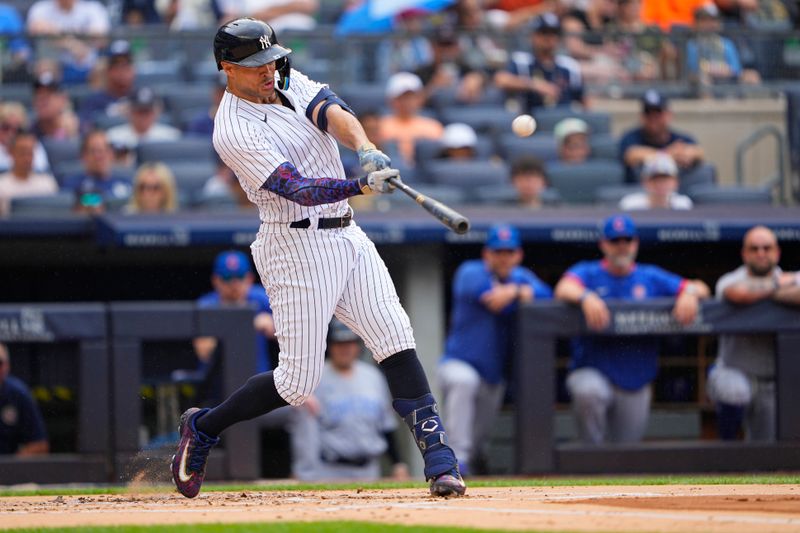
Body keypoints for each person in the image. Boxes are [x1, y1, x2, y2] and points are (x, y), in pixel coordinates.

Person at [171, 18, 465, 499]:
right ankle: (204, 426)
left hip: (347, 234)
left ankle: (440, 461)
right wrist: (359, 184)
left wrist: (365, 148)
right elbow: (296, 188)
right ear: (226, 67)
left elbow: (332, 110)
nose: (269, 71)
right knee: (296, 382)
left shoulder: (285, 77)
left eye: (271, 59)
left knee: (395, 336)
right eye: (254, 65)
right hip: (294, 246)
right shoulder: (231, 129)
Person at [554, 214, 710, 444]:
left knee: (625, 451)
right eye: (615, 241)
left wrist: (689, 293)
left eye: (627, 240)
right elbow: (564, 287)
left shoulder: (650, 276)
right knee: (588, 392)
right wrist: (586, 296)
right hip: (594, 368)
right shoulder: (589, 273)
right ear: (603, 245)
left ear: (635, 243)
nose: (621, 247)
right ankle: (588, 461)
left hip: (635, 376)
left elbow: (701, 287)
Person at [438, 224, 552, 474]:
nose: (503, 257)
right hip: (459, 362)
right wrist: (518, 292)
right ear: (487, 254)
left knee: (479, 439)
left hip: (492, 374)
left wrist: (516, 290)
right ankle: (455, 461)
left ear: (518, 255)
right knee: (463, 381)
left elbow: (548, 296)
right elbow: (494, 301)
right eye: (498, 251)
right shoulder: (470, 271)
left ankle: (473, 460)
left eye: (508, 252)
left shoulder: (520, 278)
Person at [707, 226, 800, 442]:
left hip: (772, 381)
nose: (761, 253)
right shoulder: (730, 279)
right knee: (735, 392)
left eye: (767, 248)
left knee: (765, 453)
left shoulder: (791, 277)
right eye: (754, 248)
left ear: (777, 252)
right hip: (732, 371)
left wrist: (767, 292)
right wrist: (778, 286)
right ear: (744, 254)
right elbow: (737, 293)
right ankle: (726, 446)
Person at [290, 318, 410, 481]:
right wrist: (304, 470)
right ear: (329, 346)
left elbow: (386, 426)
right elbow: (305, 432)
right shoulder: (314, 378)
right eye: (339, 343)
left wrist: (398, 463)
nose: (345, 349)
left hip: (368, 469)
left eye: (350, 343)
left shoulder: (373, 377)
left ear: (358, 346)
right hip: (327, 470)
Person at [189, 250, 275, 404]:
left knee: (301, 408)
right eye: (227, 278)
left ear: (249, 278)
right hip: (219, 393)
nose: (234, 285)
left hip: (259, 387)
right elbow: (204, 352)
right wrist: (246, 324)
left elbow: (290, 336)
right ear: (216, 280)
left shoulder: (261, 299)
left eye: (240, 278)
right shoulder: (207, 306)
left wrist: (273, 325)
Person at [494, 13, 585, 112]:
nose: (548, 38)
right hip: (530, 119)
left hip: (562, 119)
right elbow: (501, 80)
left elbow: (583, 99)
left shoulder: (569, 66)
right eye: (543, 33)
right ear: (532, 36)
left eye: (553, 33)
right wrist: (535, 85)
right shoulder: (522, 61)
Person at [618, 90, 704, 183]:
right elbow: (632, 155)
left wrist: (686, 154)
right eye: (648, 113)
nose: (653, 118)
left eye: (658, 113)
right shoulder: (630, 137)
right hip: (641, 193)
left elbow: (698, 152)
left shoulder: (681, 137)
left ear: (669, 115)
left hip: (677, 192)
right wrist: (669, 154)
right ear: (642, 116)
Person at [378, 71, 444, 168]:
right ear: (391, 100)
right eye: (401, 97)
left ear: (420, 99)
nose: (406, 102)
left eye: (411, 97)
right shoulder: (379, 126)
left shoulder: (434, 127)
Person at [685, 4, 761, 86]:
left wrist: (724, 70)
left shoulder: (726, 43)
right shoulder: (691, 45)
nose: (709, 24)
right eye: (704, 20)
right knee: (703, 80)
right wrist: (714, 70)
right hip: (702, 81)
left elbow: (736, 69)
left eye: (713, 20)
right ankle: (708, 99)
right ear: (696, 24)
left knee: (752, 76)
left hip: (726, 78)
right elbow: (693, 68)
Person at [62, 130, 133, 213]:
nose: (100, 156)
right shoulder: (73, 185)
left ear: (111, 154)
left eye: (104, 150)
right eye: (94, 151)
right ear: (83, 156)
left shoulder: (125, 184)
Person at [0, 343, 49, 456]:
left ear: (7, 366)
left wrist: (10, 467)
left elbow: (40, 444)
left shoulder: (19, 393)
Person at [79, 40, 137, 131]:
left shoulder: (143, 97)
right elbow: (85, 129)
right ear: (108, 70)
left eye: (126, 64)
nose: (122, 70)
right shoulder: (94, 101)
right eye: (116, 65)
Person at [0, 130, 59, 216]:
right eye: (22, 152)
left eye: (30, 153)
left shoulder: (48, 182)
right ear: (11, 153)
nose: (27, 158)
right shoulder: (2, 185)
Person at [106, 87, 182, 152]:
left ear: (156, 113)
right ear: (129, 112)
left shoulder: (171, 137)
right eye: (139, 111)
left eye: (147, 112)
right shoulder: (113, 137)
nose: (144, 116)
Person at [619, 152, 693, 210]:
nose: (660, 184)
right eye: (655, 179)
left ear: (676, 182)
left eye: (665, 179)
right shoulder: (630, 205)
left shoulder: (683, 204)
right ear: (645, 182)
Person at [31, 72, 80, 142]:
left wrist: (73, 136)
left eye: (48, 95)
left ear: (63, 99)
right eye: (38, 95)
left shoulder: (79, 129)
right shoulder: (30, 132)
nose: (42, 100)